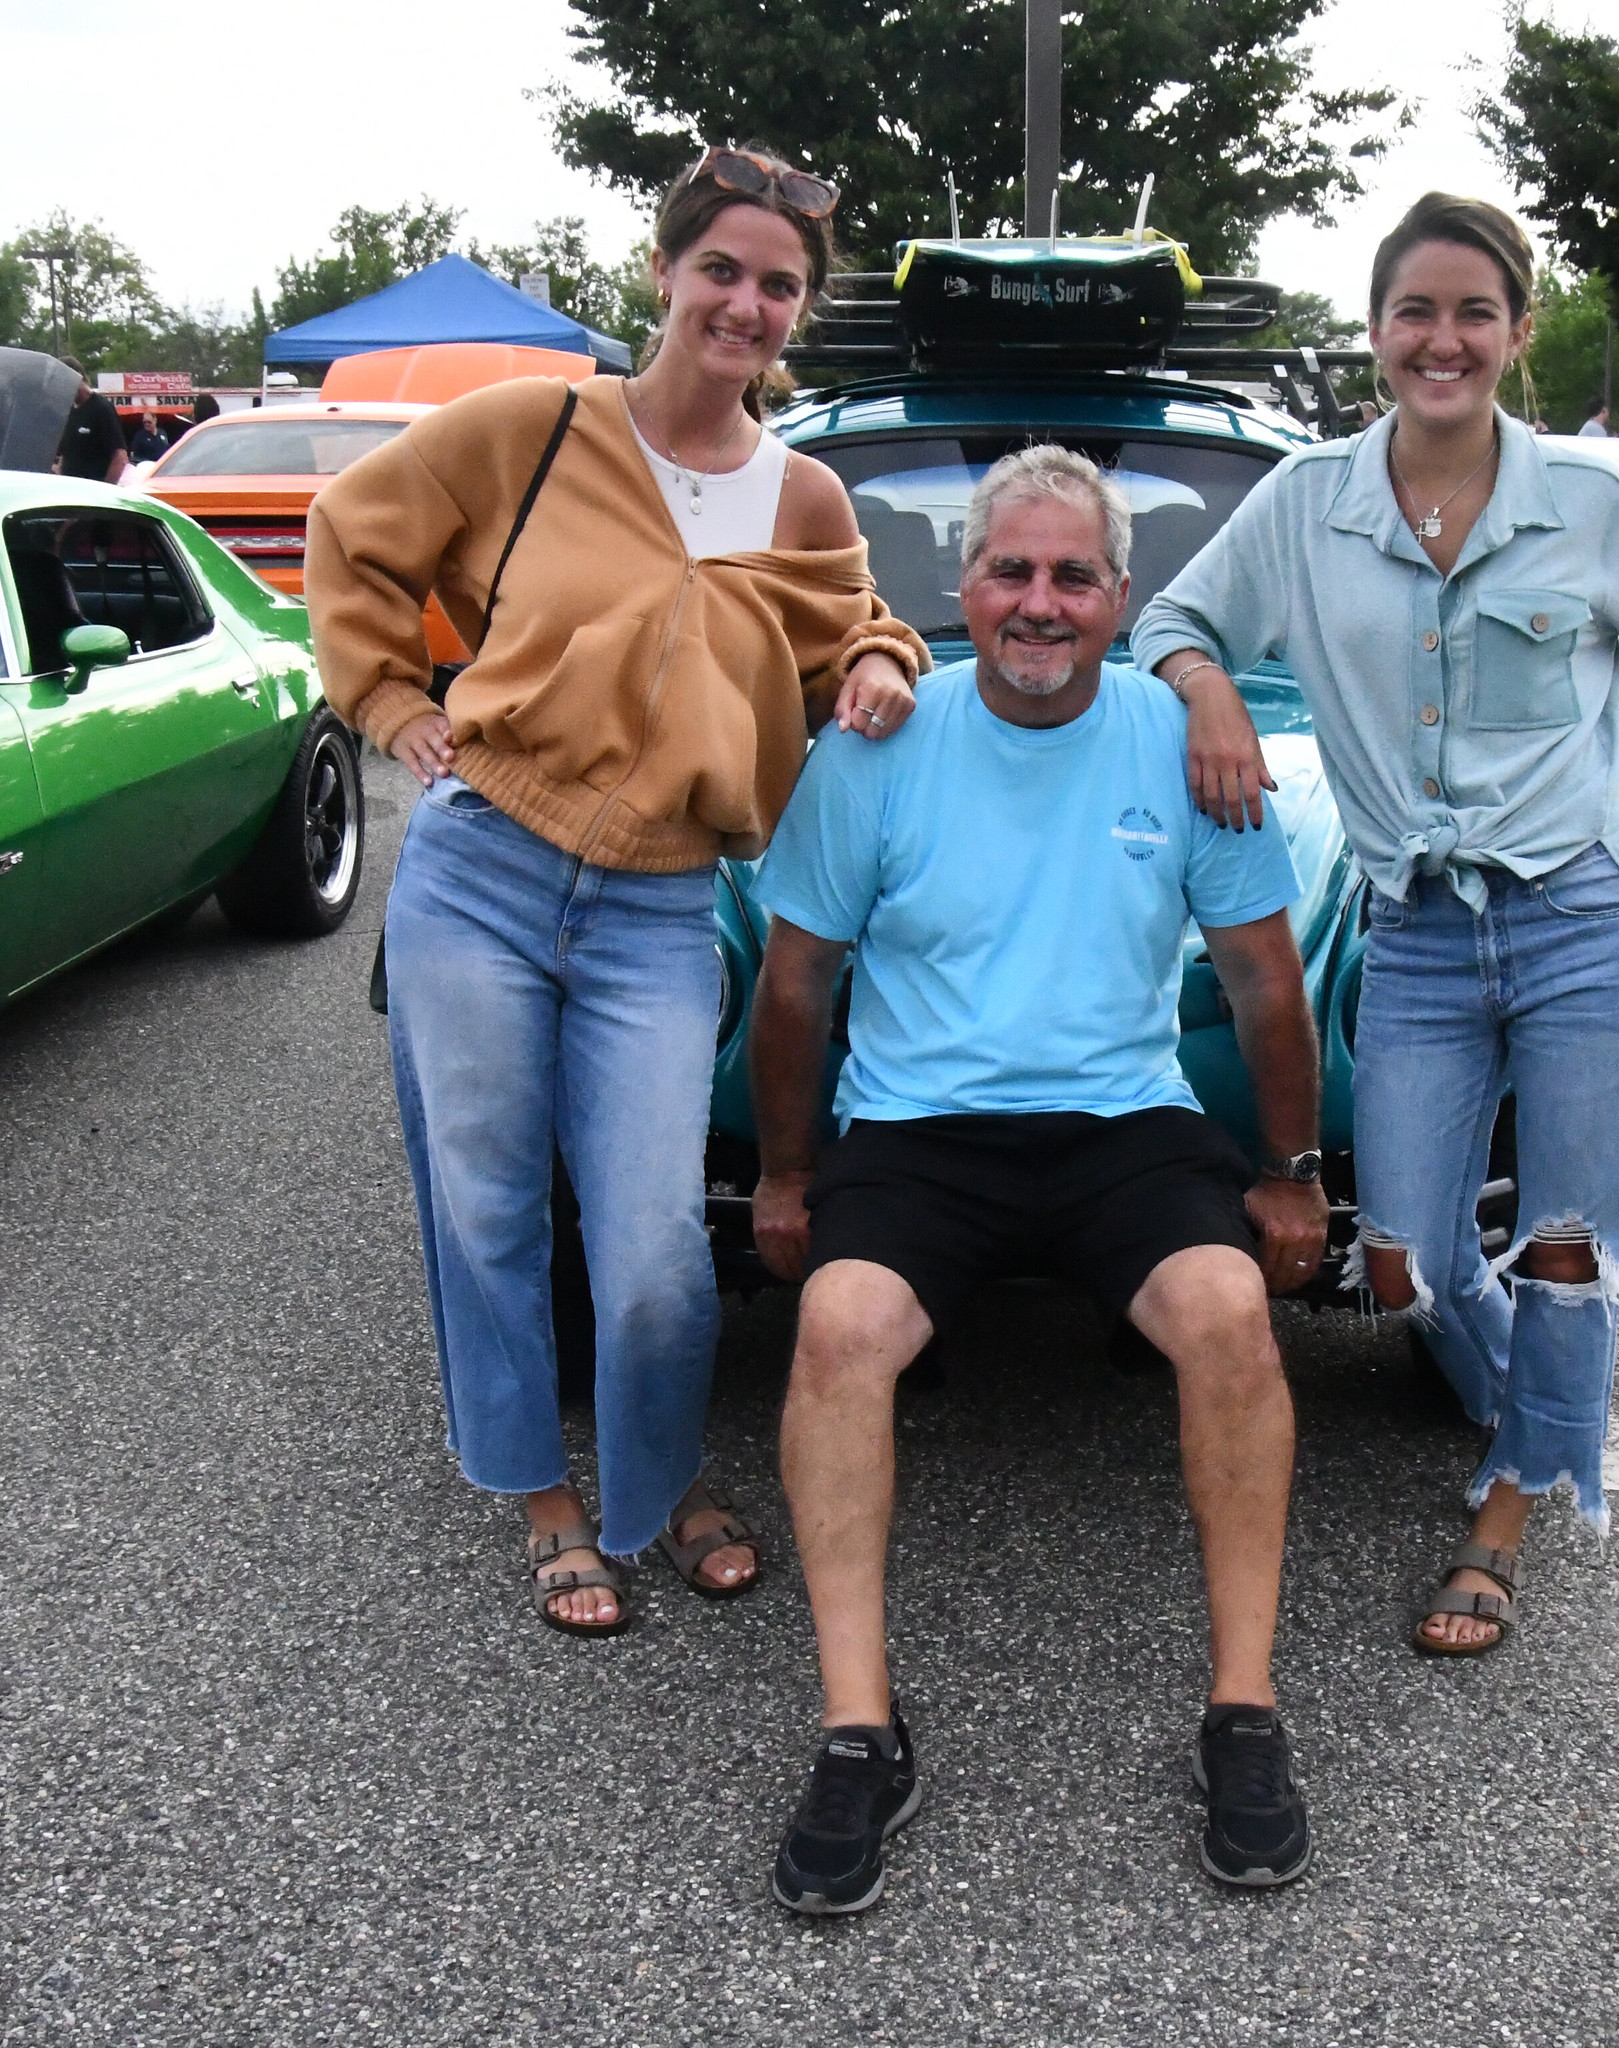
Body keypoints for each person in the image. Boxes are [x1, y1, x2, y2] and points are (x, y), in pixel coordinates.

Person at [304, 145, 929, 1637]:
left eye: (779, 284)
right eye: (722, 269)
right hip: (487, 867)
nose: (747, 302)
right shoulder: (531, 430)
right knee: (490, 1205)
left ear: (800, 313)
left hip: (660, 903)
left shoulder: (805, 492)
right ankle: (545, 1499)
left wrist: (887, 666)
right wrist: (393, 707)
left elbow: (862, 627)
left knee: (651, 1242)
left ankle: (659, 1487)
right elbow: (355, 541)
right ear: (664, 273)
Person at [1135, 190, 1619, 1657]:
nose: (1443, 339)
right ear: (1374, 332)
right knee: (1403, 1251)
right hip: (1412, 933)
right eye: (1416, 310)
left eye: (1475, 312)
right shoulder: (1305, 500)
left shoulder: (1587, 503)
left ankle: (1509, 1511)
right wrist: (1211, 687)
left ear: (1517, 334)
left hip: (1584, 923)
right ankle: (1532, 1400)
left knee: (1565, 1244)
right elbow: (1174, 620)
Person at [750, 445, 1327, 1911]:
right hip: (922, 1133)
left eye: (1075, 576)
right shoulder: (879, 743)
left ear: (1123, 599)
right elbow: (797, 984)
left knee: (1229, 1322)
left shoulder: (1190, 743)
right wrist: (782, 1179)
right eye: (1013, 569)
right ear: (964, 587)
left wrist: (1292, 1176)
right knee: (835, 1335)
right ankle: (858, 1733)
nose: (1040, 602)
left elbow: (1265, 986)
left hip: (1119, 1122)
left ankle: (1244, 1715)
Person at [55, 359, 128, 482]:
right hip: (69, 490)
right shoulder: (68, 412)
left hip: (93, 491)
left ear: (77, 379)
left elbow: (120, 457)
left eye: (65, 383)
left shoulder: (101, 408)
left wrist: (105, 490)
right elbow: (66, 455)